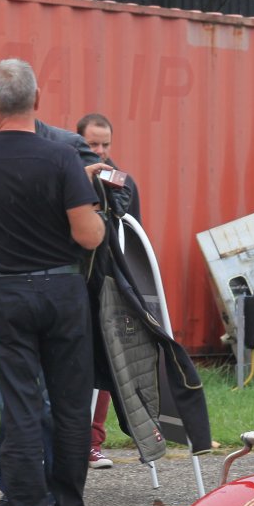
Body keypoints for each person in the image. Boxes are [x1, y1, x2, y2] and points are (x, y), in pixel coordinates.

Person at [0, 58, 106, 506]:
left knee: (22, 405)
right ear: (37, 99)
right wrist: (90, 195)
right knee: (70, 407)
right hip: (63, 290)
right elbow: (88, 237)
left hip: (7, 292)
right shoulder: (63, 158)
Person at [76, 111, 141, 470]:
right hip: (72, 284)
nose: (100, 151)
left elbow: (132, 233)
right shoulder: (66, 178)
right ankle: (68, 442)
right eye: (92, 144)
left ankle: (93, 442)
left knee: (107, 362)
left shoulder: (122, 182)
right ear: (78, 143)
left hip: (108, 285)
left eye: (105, 145)